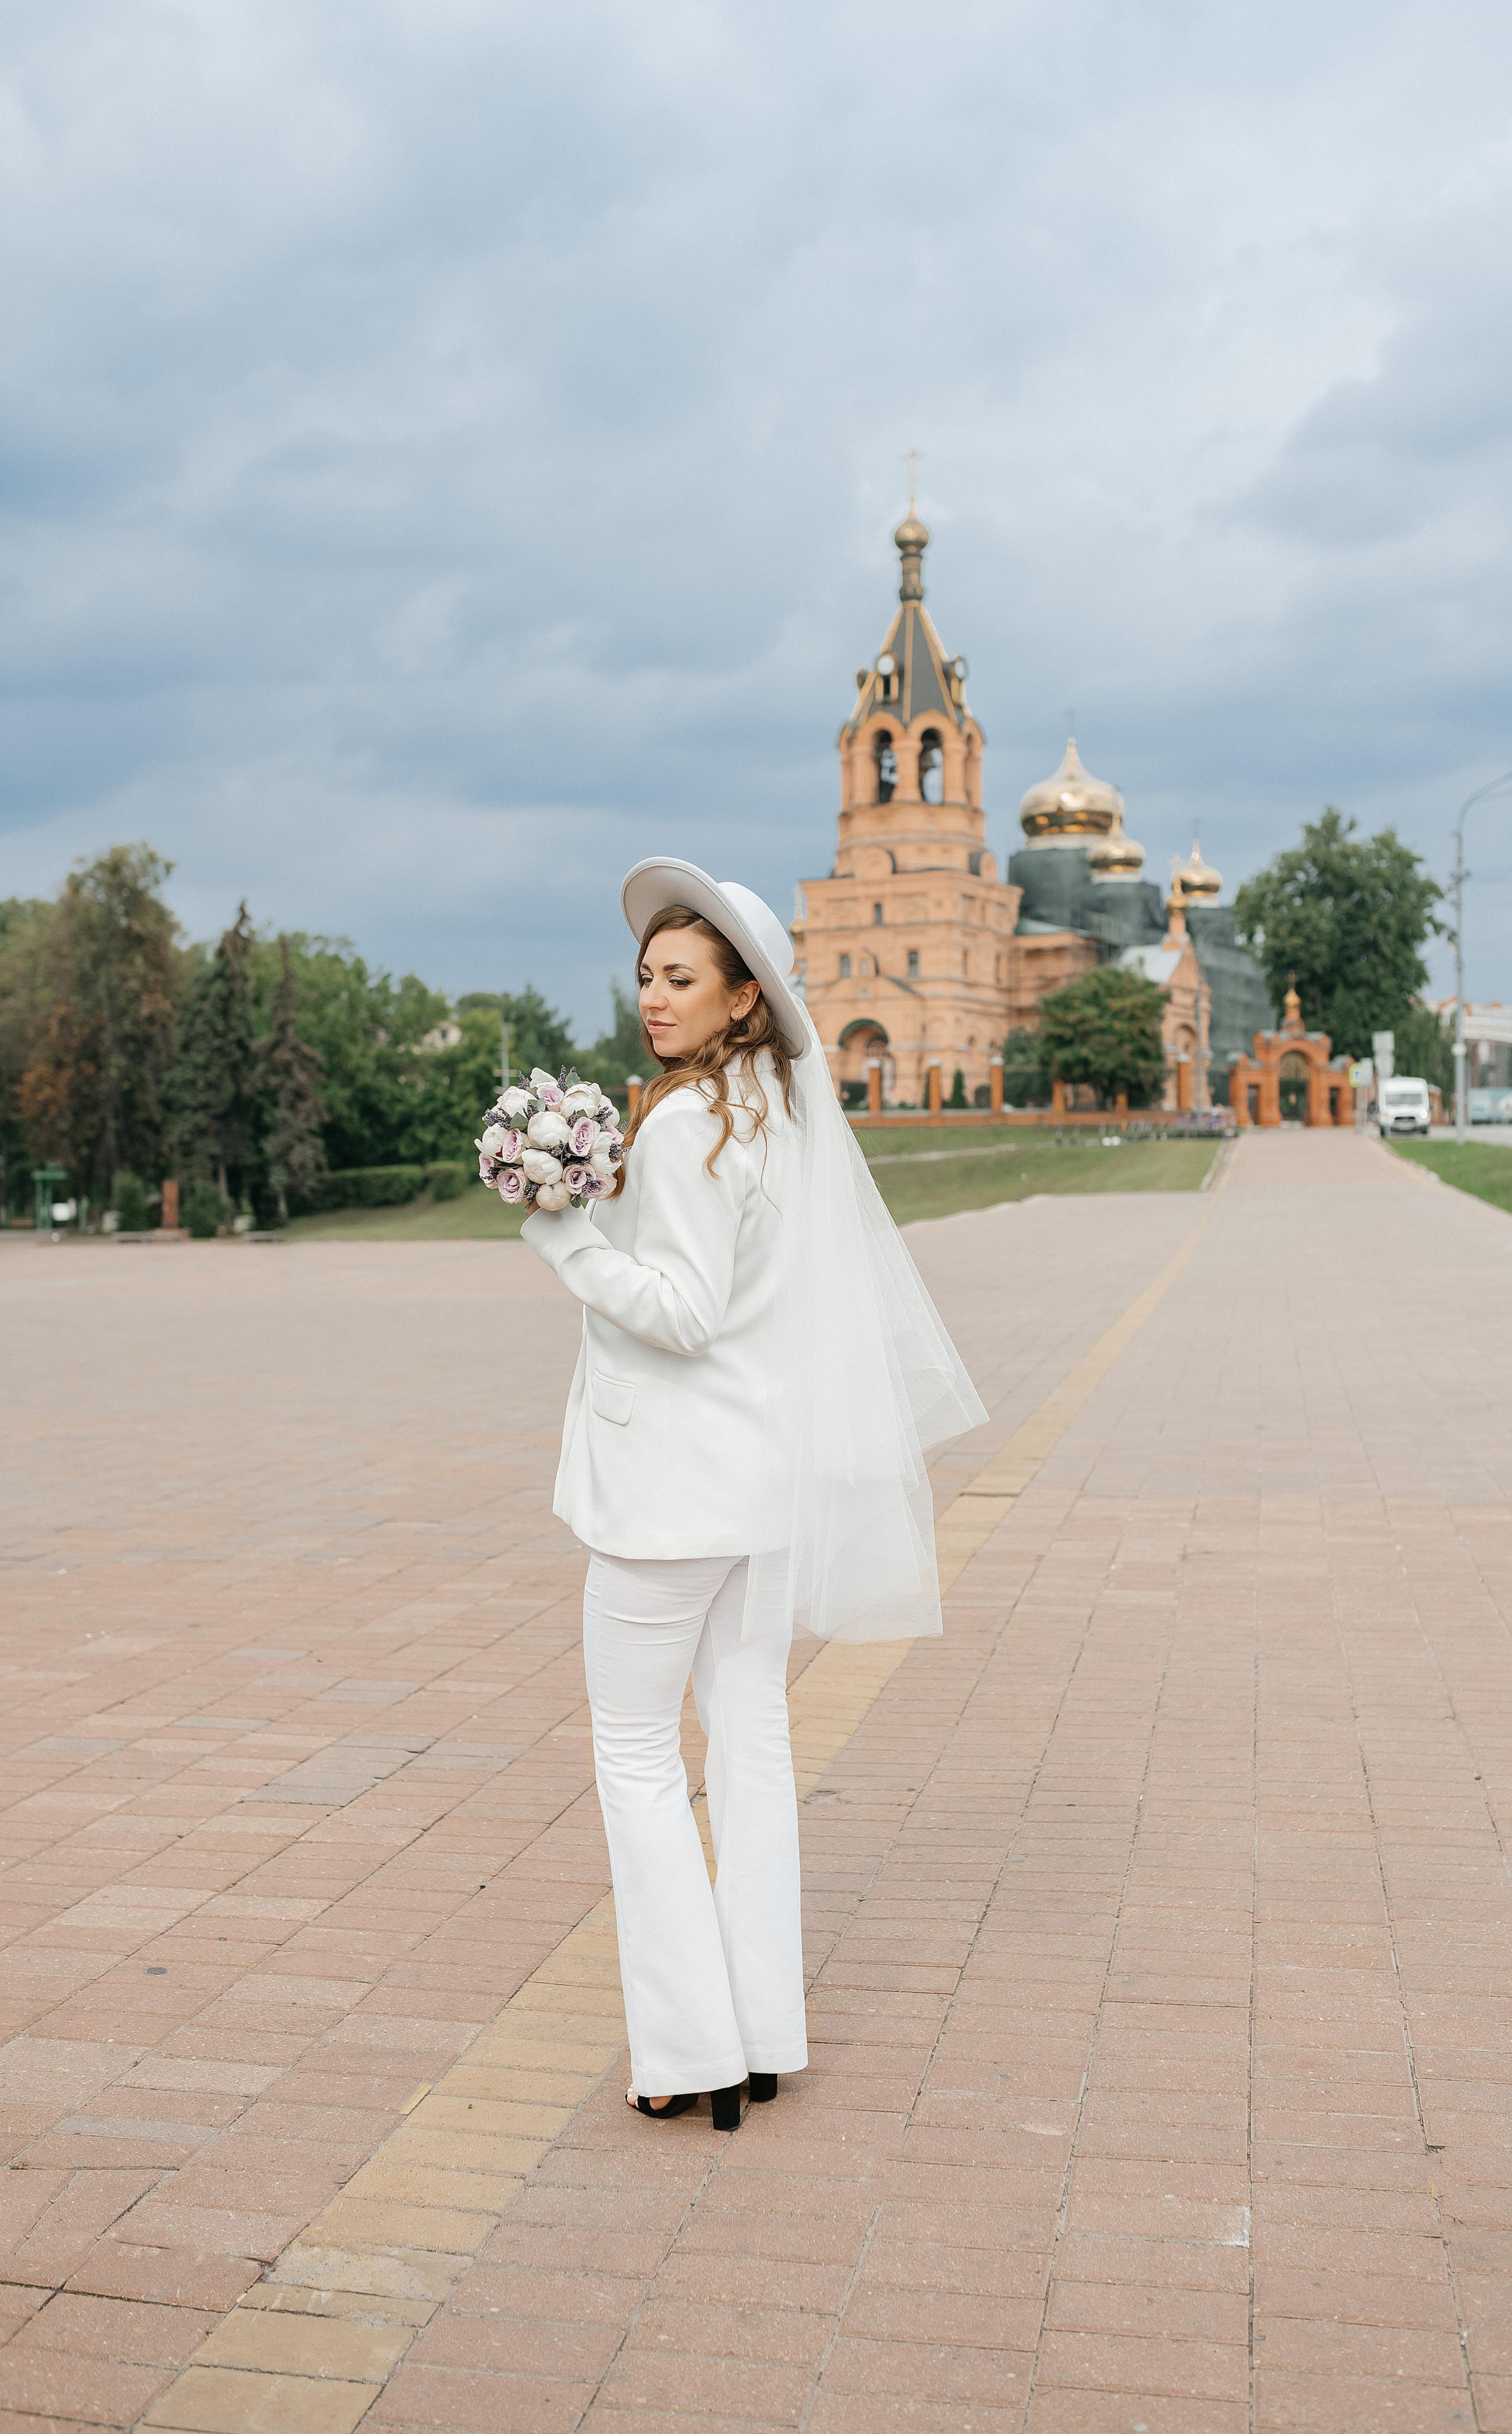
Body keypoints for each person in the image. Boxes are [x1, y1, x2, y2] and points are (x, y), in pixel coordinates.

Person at [522, 860, 984, 2130]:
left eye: (679, 980)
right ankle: (764, 2030)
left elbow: (680, 1313)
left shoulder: (682, 1125)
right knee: (750, 1739)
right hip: (765, 1487)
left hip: (670, 1497)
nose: (651, 999)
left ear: (741, 999)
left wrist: (562, 1233)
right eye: (645, 979)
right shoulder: (776, 1113)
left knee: (632, 1751)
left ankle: (684, 2048)